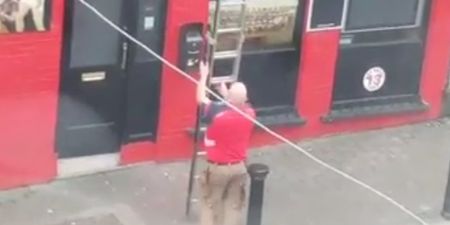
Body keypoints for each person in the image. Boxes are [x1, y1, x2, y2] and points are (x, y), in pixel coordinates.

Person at [197, 61, 256, 225]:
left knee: (210, 204)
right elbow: (236, 106)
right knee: (233, 207)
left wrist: (203, 76)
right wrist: (227, 96)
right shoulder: (251, 114)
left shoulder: (218, 116)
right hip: (239, 167)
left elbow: (201, 99)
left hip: (218, 168)